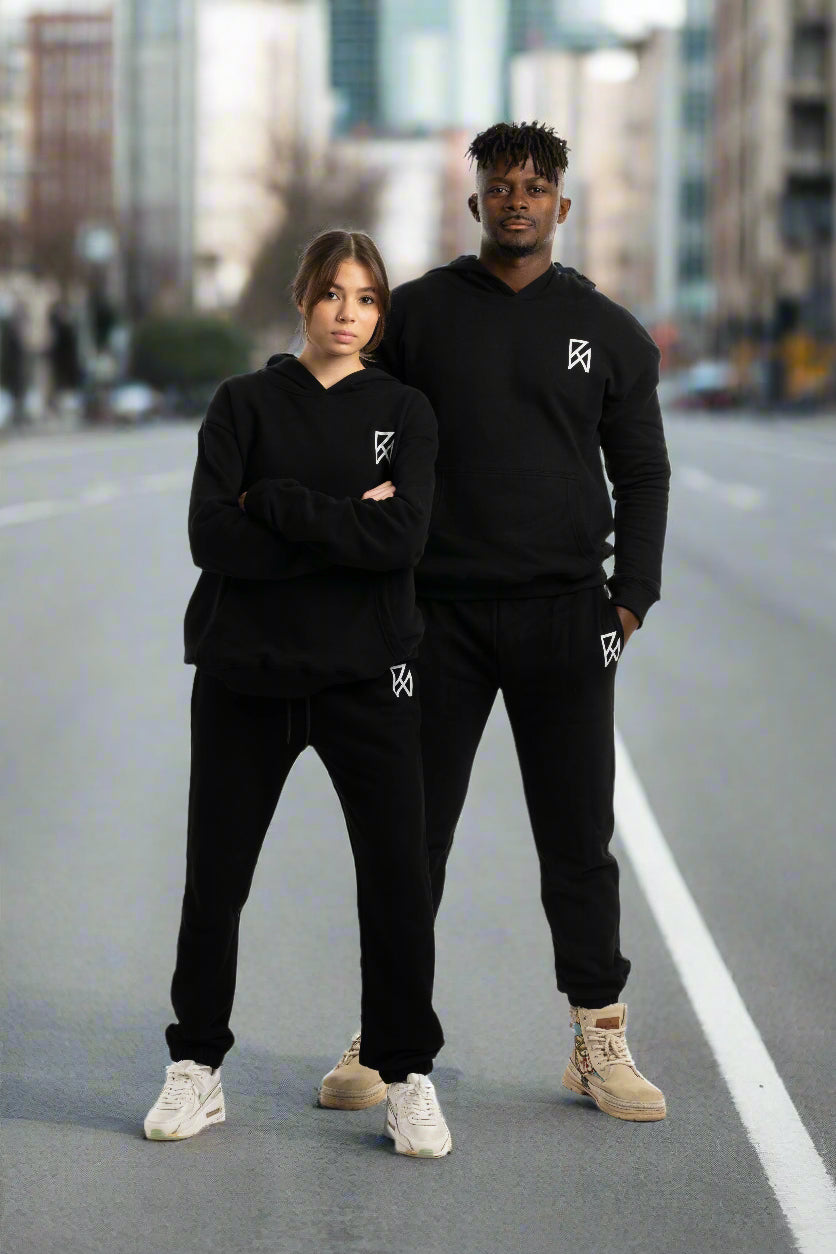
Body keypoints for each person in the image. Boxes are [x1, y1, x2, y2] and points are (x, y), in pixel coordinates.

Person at [320, 122, 671, 1122]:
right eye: (498, 184)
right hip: (435, 621)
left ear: (562, 205)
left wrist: (627, 600)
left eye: (535, 185)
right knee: (408, 834)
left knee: (575, 839)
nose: (516, 199)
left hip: (565, 617)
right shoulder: (418, 317)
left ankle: (596, 1039)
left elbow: (641, 473)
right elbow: (347, 416)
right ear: (473, 203)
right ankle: (382, 1033)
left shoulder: (607, 331)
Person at [144, 230, 452, 1158]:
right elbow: (211, 537)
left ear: (379, 315)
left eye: (365, 298)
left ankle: (407, 1078)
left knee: (397, 885)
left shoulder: (407, 410)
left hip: (371, 678)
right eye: (332, 293)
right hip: (246, 676)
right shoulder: (242, 404)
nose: (347, 312)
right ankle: (196, 1067)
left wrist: (274, 503)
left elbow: (399, 541)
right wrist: (339, 521)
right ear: (303, 299)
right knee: (216, 881)